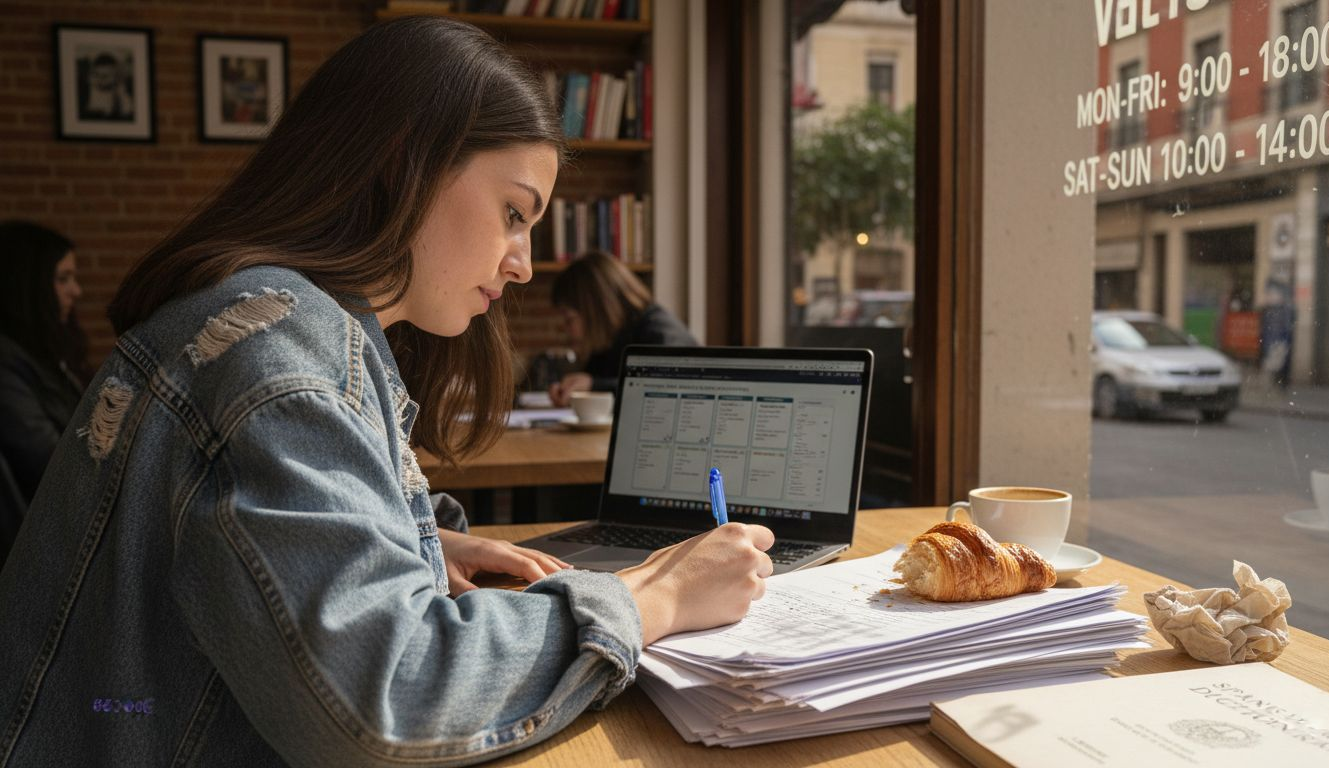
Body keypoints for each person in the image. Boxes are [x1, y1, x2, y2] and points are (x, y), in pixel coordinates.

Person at [0, 19, 773, 767]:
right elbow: (386, 700)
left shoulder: (267, 313)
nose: (524, 264)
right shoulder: (285, 350)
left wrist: (416, 544)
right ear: (406, 159)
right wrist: (648, 598)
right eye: (513, 214)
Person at [0, 221, 89, 506]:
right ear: (25, 285)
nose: (76, 291)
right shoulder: (7, 363)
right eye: (63, 279)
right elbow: (50, 461)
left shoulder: (46, 353)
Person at [548, 250, 698, 406]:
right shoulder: (609, 338)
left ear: (595, 310)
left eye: (569, 319)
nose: (565, 328)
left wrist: (594, 386)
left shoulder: (660, 333)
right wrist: (571, 390)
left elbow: (660, 390)